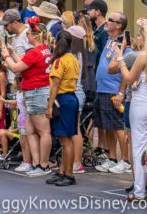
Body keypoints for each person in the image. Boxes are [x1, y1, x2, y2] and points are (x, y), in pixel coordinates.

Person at [112, 23, 147, 202]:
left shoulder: (143, 56)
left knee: (140, 148)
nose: (138, 39)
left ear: (146, 37)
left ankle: (139, 191)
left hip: (141, 105)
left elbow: (127, 77)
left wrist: (120, 58)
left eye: (140, 36)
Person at [2, 18, 53, 176]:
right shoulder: (43, 50)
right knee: (30, 130)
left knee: (43, 130)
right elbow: (25, 62)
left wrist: (6, 56)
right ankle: (36, 163)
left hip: (37, 91)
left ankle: (43, 165)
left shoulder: (35, 52)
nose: (27, 36)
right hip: (34, 91)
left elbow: (17, 68)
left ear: (35, 36)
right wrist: (12, 53)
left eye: (29, 34)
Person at [94, 11, 131, 174]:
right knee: (107, 126)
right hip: (102, 89)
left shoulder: (124, 44)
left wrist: (121, 93)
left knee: (118, 126)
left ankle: (125, 160)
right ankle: (113, 158)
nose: (106, 21)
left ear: (118, 25)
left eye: (110, 20)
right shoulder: (110, 40)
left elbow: (125, 70)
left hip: (113, 91)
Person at [46, 31, 81, 186]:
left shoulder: (60, 61)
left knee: (65, 140)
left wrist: (49, 106)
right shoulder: (73, 58)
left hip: (62, 99)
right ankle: (63, 171)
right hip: (71, 97)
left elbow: (55, 85)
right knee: (67, 138)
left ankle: (69, 174)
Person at [67, 25, 89, 174]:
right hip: (77, 91)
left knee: (74, 129)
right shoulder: (80, 53)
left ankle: (77, 162)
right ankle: (74, 161)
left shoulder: (74, 55)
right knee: (73, 128)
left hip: (74, 91)